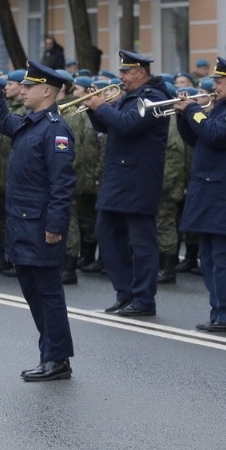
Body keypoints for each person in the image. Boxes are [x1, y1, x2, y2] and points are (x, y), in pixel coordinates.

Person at [0, 60, 77, 381]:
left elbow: (62, 185)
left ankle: (57, 359)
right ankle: (50, 355)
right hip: (22, 224)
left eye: (28, 86)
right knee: (34, 294)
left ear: (46, 90)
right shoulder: (29, 124)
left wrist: (54, 226)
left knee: (48, 294)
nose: (21, 90)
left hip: (40, 227)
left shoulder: (55, 130)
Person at [83, 51, 171, 317]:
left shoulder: (154, 98)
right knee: (106, 232)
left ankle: (143, 299)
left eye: (125, 72)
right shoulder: (129, 96)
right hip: (118, 178)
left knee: (142, 242)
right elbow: (111, 126)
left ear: (141, 73)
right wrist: (93, 109)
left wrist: (102, 106)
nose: (120, 77)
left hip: (139, 179)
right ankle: (125, 293)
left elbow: (129, 125)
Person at [174, 58, 226, 332]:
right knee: (209, 256)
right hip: (209, 190)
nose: (214, 86)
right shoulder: (221, 108)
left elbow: (215, 134)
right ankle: (219, 311)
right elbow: (196, 138)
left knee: (223, 258)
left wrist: (194, 111)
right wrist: (182, 114)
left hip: (225, 192)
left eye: (219, 82)